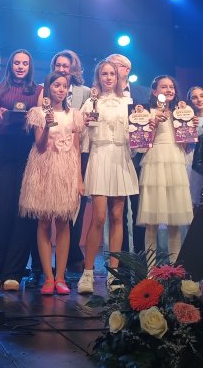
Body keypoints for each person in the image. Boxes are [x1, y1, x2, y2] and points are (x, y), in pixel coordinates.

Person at [19, 71, 85, 295]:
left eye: (64, 86)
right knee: (44, 222)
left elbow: (76, 149)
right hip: (43, 169)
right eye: (57, 85)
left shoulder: (74, 114)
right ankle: (48, 277)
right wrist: (47, 125)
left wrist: (79, 180)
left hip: (66, 170)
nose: (61, 89)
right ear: (48, 87)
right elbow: (39, 146)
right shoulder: (38, 113)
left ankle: (60, 277)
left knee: (64, 223)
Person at [77, 60, 137, 294]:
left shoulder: (127, 102)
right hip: (100, 156)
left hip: (121, 157)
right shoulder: (91, 101)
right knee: (99, 217)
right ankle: (88, 273)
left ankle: (114, 273)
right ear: (98, 77)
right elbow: (82, 135)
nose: (109, 77)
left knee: (118, 216)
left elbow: (134, 134)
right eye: (105, 73)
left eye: (112, 73)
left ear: (118, 76)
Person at [0, 49, 42, 291]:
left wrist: (32, 117)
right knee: (2, 212)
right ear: (11, 65)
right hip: (3, 152)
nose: (20, 67)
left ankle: (14, 273)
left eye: (25, 63)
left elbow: (40, 126)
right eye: (17, 63)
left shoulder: (38, 91)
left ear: (30, 67)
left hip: (28, 152)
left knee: (23, 212)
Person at [136, 75, 193, 262]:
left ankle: (174, 270)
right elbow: (142, 145)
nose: (168, 90)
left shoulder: (181, 113)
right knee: (152, 221)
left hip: (175, 161)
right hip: (155, 161)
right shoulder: (146, 113)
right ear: (155, 91)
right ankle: (151, 270)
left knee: (174, 221)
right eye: (164, 87)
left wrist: (187, 128)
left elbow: (184, 145)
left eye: (171, 87)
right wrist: (153, 124)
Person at [105, 53, 150, 254]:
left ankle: (140, 258)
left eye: (115, 65)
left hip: (140, 158)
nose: (111, 69)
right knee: (117, 212)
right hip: (114, 158)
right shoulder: (103, 95)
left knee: (139, 209)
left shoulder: (144, 93)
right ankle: (120, 260)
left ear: (126, 69)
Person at [185, 86, 203, 207]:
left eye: (202, 96)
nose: (199, 100)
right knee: (193, 198)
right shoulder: (184, 120)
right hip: (191, 159)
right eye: (194, 97)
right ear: (189, 101)